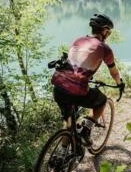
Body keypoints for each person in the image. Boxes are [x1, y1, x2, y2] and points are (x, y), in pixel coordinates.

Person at [51, 13, 124, 145]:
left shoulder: (78, 41)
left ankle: (62, 155)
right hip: (76, 91)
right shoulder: (104, 49)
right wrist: (120, 84)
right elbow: (113, 72)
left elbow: (76, 65)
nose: (109, 35)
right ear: (105, 31)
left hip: (58, 88)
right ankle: (86, 130)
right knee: (101, 100)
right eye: (109, 32)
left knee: (68, 123)